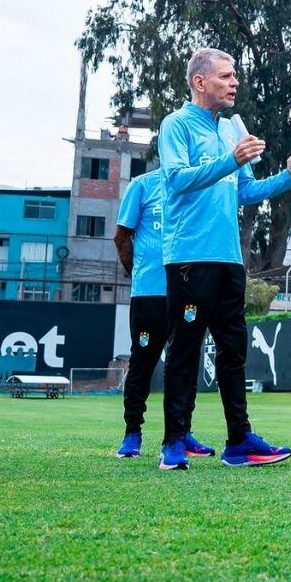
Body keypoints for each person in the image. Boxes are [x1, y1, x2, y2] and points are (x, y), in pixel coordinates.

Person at [156, 47, 291, 471]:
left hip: (230, 260)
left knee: (233, 352)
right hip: (190, 257)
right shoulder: (176, 125)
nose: (235, 83)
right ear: (200, 82)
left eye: (235, 76)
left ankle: (239, 441)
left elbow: (245, 191)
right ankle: (174, 440)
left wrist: (288, 178)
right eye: (226, 76)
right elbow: (176, 181)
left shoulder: (233, 129)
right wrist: (229, 160)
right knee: (185, 349)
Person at [113, 170, 215, 459]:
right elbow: (121, 237)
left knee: (186, 361)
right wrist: (139, 273)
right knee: (143, 361)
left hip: (186, 292)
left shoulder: (197, 183)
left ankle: (182, 432)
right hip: (149, 293)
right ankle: (132, 433)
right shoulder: (142, 185)